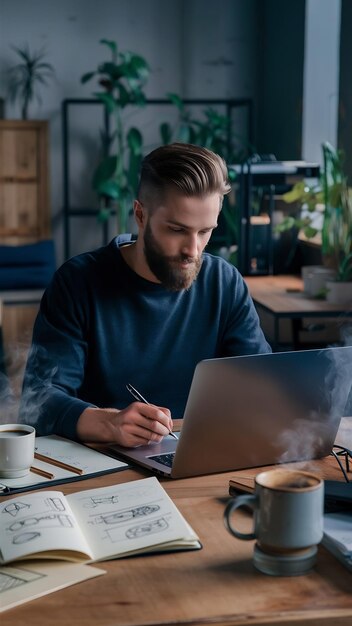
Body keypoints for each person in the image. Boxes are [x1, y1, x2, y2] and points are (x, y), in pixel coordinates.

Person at [20, 143, 271, 447]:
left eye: (205, 231)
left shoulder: (225, 282)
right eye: (177, 230)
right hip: (106, 462)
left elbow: (262, 386)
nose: (193, 250)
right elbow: (39, 401)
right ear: (140, 215)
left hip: (202, 454)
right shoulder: (77, 282)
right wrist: (109, 423)